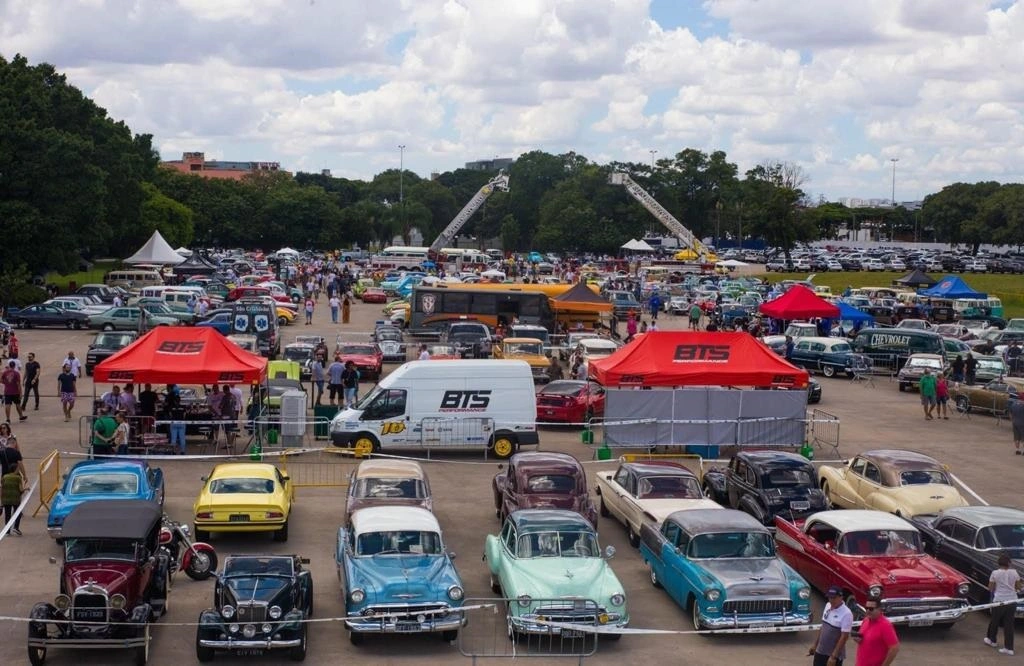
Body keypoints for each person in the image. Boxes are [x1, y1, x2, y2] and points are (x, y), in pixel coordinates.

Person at [986, 552, 1023, 655]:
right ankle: (1009, 648)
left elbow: (990, 588)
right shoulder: (1015, 572)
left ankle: (992, 640)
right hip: (1012, 600)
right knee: (1009, 624)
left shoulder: (995, 573)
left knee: (995, 621)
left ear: (999, 563)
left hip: (999, 600)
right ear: (1009, 563)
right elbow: (1019, 587)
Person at [809, 586, 853, 666]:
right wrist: (815, 645)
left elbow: (844, 637)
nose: (831, 600)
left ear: (841, 597)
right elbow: (823, 626)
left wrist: (833, 657)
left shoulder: (847, 613)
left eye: (834, 598)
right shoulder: (828, 605)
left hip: (832, 655)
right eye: (829, 598)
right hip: (821, 651)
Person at [852, 601, 899, 666]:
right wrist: (859, 640)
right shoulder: (866, 620)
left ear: (879, 609)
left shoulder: (885, 625)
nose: (868, 611)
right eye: (866, 608)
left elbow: (894, 648)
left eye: (871, 609)